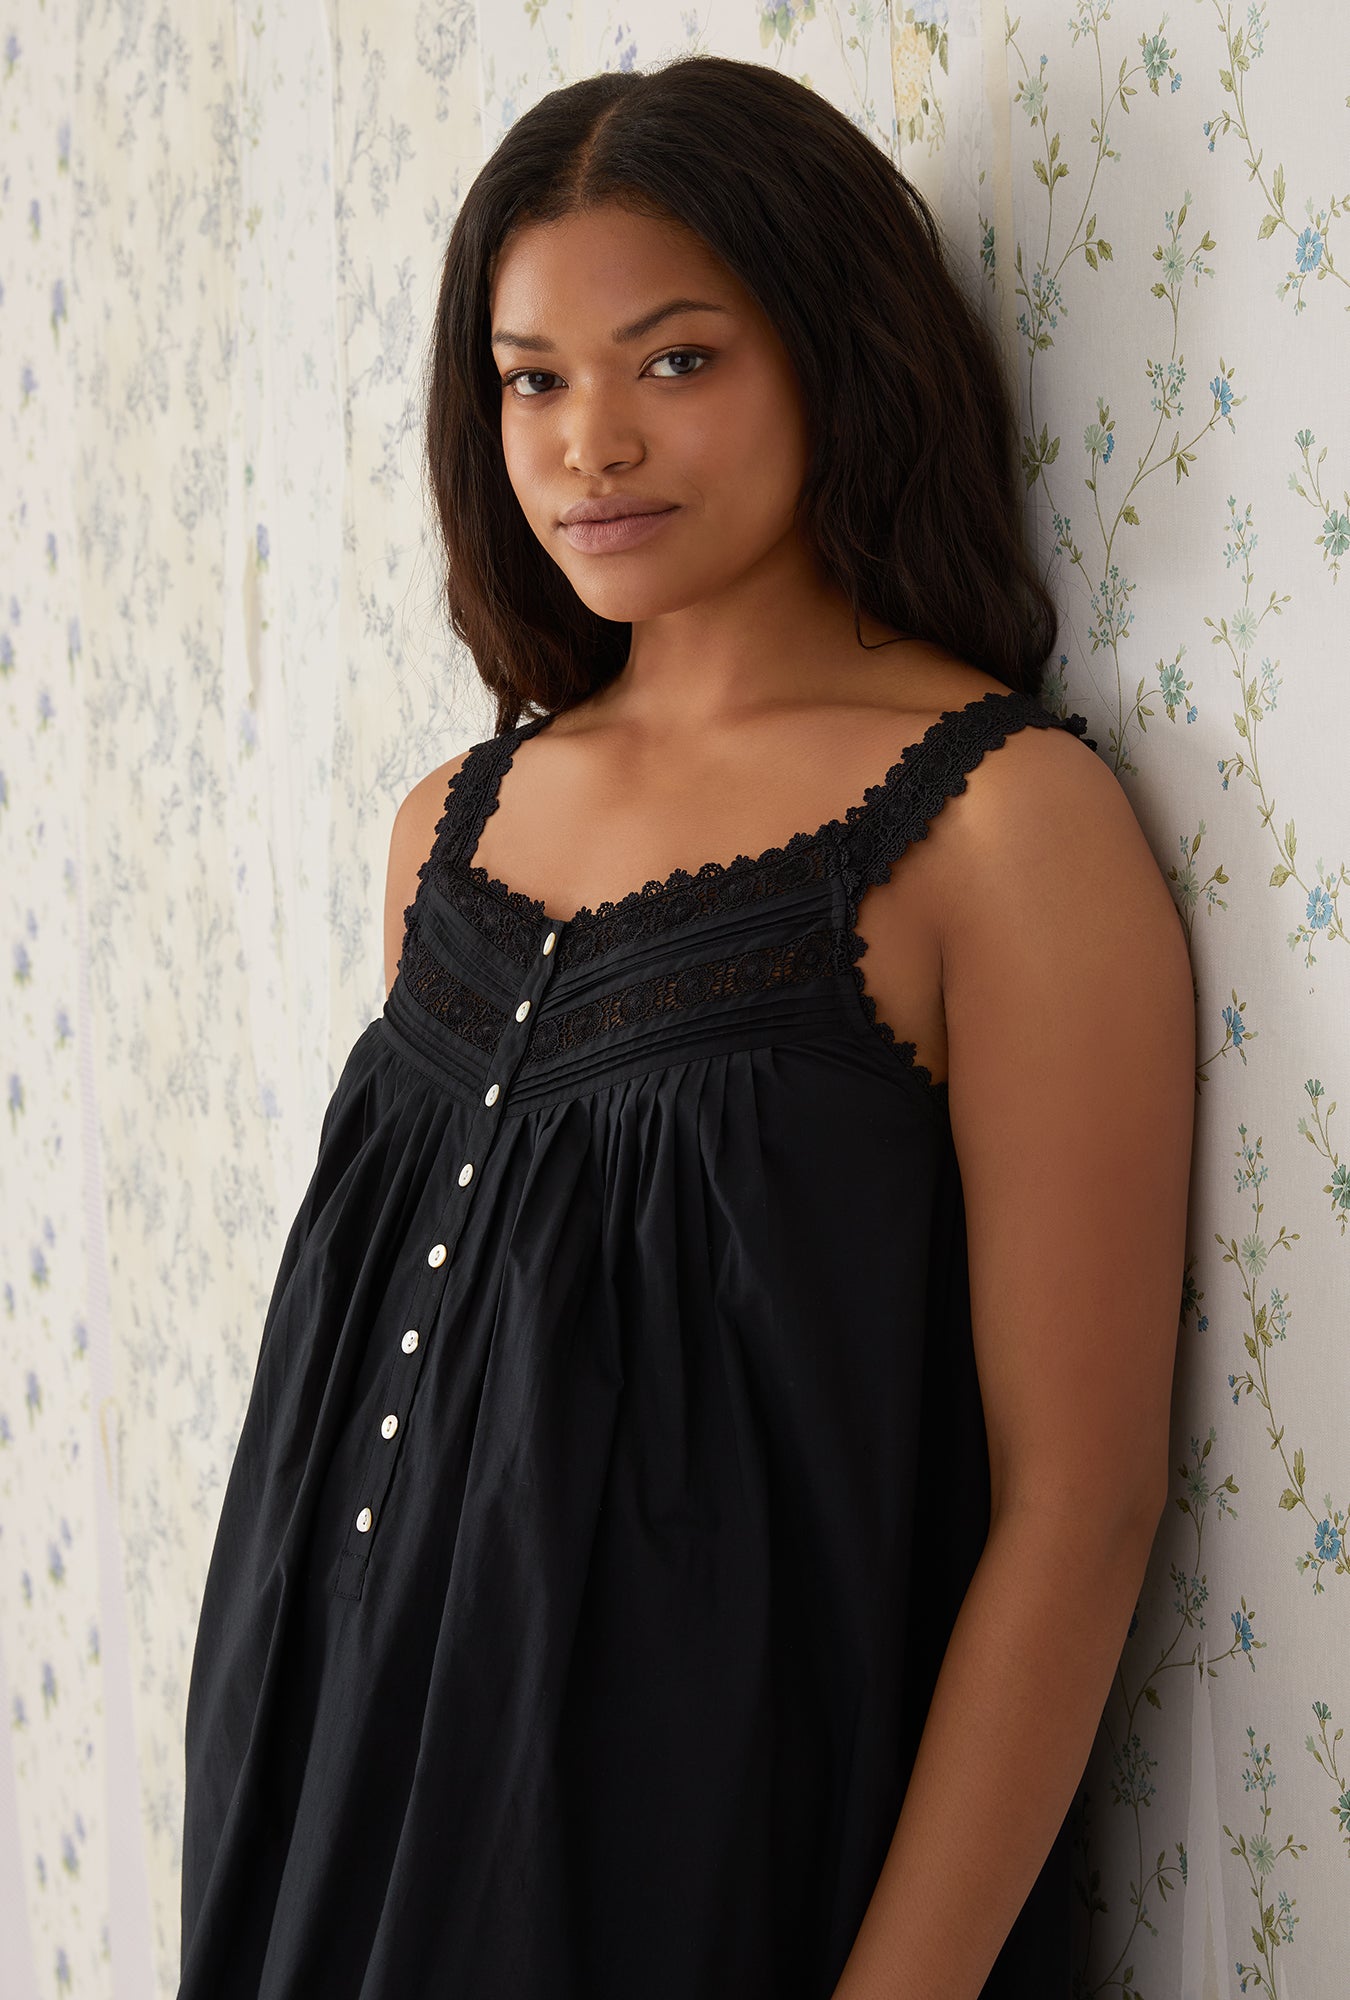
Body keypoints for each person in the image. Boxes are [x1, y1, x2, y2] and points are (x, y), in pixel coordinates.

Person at [178, 52, 1195, 2000]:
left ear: (834, 353)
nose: (588, 443)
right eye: (532, 376)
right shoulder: (446, 828)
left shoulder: (997, 830)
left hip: (707, 1863)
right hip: (327, 1809)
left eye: (676, 361)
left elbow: (1082, 1501)